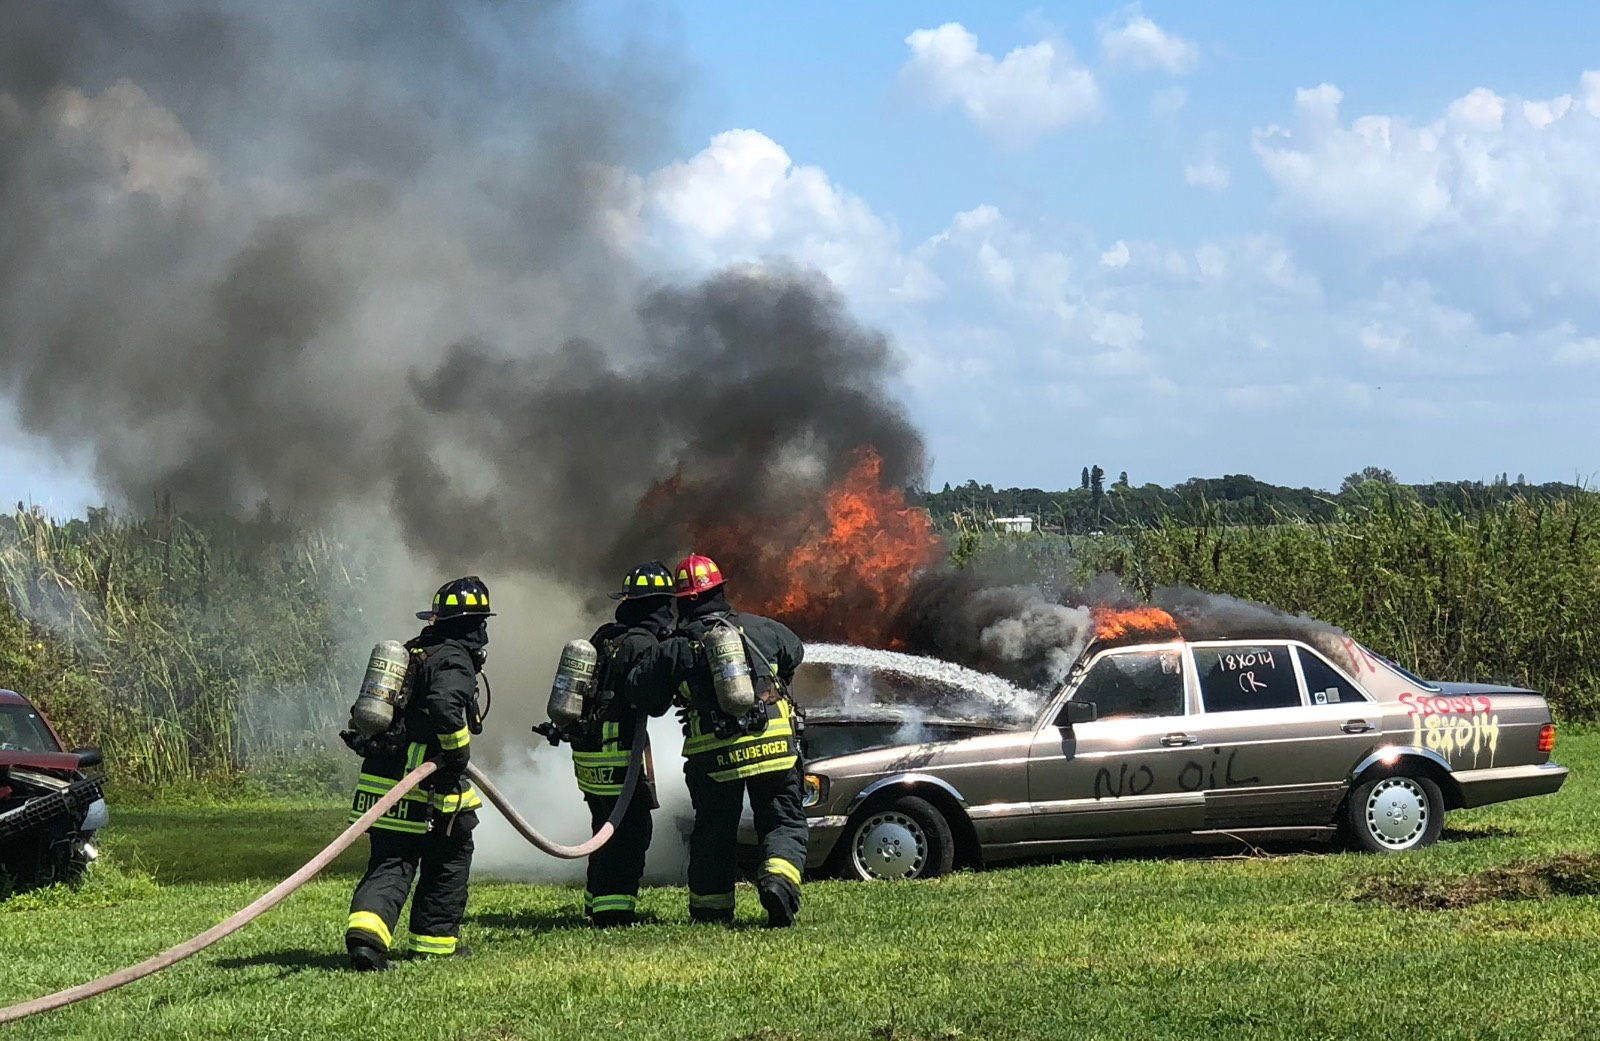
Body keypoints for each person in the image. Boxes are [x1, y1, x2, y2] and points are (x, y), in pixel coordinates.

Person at [626, 553, 807, 928]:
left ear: (683, 601)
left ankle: (712, 911)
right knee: (783, 821)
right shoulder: (762, 628)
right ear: (720, 591)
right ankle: (778, 881)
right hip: (774, 747)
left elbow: (641, 690)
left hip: (715, 757)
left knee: (713, 832)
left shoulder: (679, 645)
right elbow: (795, 653)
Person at [340, 576, 491, 971]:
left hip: (383, 780)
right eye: (481, 623)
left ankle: (366, 940)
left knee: (391, 862)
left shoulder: (414, 651)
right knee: (450, 857)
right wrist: (457, 753)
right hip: (427, 785)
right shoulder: (453, 658)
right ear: (472, 625)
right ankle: (434, 944)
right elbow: (444, 706)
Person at [567, 561, 677, 927]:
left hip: (588, 756)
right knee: (630, 833)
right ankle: (613, 913)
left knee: (604, 827)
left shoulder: (604, 636)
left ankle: (596, 900)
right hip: (618, 758)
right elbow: (654, 703)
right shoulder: (643, 646)